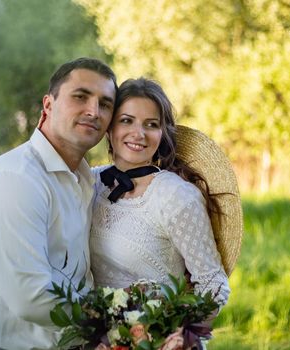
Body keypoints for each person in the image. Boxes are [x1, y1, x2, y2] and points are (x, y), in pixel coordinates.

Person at [0, 57, 117, 350]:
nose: (94, 111)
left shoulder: (87, 179)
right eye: (81, 96)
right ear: (48, 105)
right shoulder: (16, 178)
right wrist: (121, 319)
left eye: (106, 104)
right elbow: (31, 298)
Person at [89, 78, 231, 309]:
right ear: (109, 127)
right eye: (127, 121)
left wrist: (172, 334)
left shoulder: (174, 196)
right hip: (97, 339)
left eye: (151, 124)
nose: (139, 133)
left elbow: (213, 285)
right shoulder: (91, 181)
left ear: (162, 133)